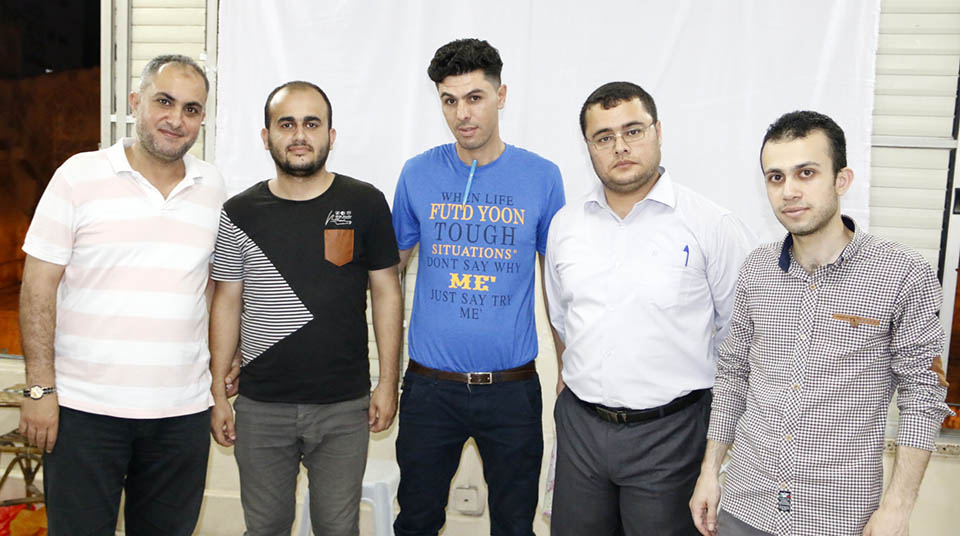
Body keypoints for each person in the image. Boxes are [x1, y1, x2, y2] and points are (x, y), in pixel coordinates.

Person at [689, 110, 953, 536]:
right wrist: (709, 471)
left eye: (806, 173)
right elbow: (734, 375)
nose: (789, 191)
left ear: (841, 180)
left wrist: (898, 507)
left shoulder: (901, 272)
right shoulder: (757, 269)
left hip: (839, 516)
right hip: (744, 505)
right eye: (776, 177)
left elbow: (923, 394)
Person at [18, 54, 224, 535]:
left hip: (181, 414)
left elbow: (215, 289)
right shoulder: (78, 175)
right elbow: (37, 286)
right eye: (164, 102)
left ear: (202, 119)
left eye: (192, 109)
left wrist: (219, 379)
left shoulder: (213, 186)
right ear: (135, 102)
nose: (176, 119)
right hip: (84, 411)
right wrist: (39, 388)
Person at [544, 81, 753, 535]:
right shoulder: (565, 225)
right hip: (581, 430)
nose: (620, 147)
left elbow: (740, 336)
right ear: (588, 147)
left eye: (633, 131)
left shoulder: (710, 224)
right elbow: (562, 319)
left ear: (658, 131)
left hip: (671, 435)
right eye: (604, 137)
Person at [208, 81, 403, 535]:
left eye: (311, 124)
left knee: (337, 528)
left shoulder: (365, 203)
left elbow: (387, 292)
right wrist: (217, 392)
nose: (299, 135)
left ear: (331, 135)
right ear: (266, 136)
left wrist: (388, 383)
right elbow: (226, 300)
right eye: (286, 124)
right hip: (261, 406)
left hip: (344, 407)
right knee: (266, 527)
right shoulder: (239, 212)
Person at [391, 38, 565, 536]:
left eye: (474, 97)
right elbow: (389, 276)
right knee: (416, 522)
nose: (462, 113)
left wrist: (566, 365)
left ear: (500, 95)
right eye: (449, 100)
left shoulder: (542, 177)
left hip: (512, 389)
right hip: (429, 388)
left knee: (514, 525)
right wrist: (383, 373)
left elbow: (555, 282)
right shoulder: (418, 174)